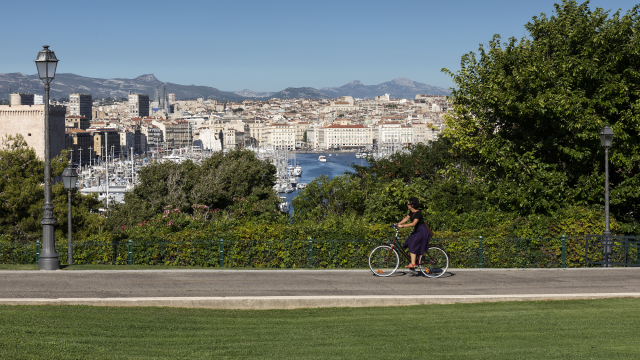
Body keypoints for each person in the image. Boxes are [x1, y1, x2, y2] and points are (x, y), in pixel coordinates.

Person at [396, 197, 432, 269]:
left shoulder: (418, 213)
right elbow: (406, 218)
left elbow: (413, 224)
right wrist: (397, 224)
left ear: (412, 205)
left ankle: (413, 264)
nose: (407, 205)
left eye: (408, 203)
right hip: (417, 231)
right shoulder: (411, 212)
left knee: (413, 242)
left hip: (422, 231)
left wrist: (402, 226)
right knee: (409, 241)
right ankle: (414, 260)